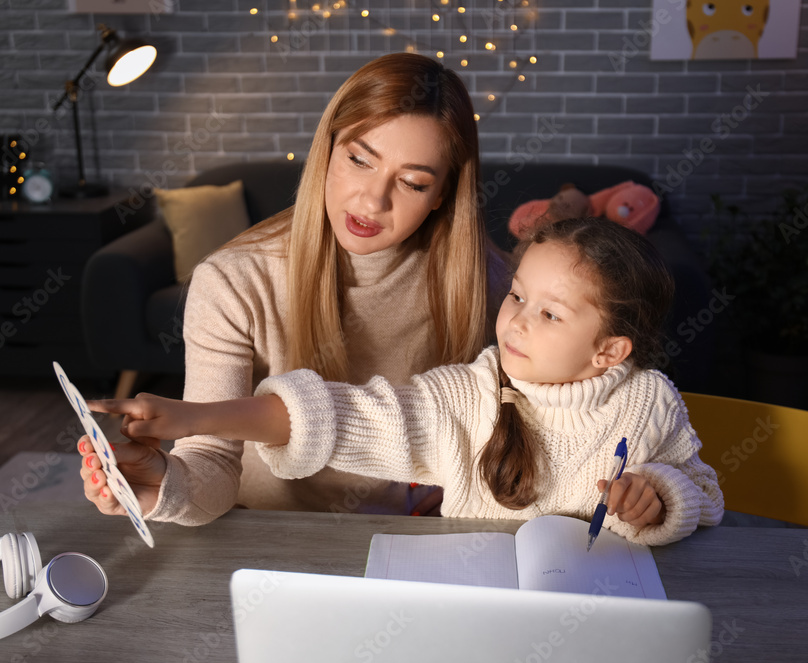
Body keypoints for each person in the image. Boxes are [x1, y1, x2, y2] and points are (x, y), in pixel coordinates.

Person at [86, 217, 724, 545]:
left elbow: (703, 489)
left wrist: (662, 496)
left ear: (609, 351)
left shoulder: (651, 401)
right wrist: (193, 419)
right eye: (519, 296)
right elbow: (333, 414)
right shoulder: (469, 396)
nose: (517, 321)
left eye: (550, 314)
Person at [80, 52, 510, 525]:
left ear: (441, 196)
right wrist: (163, 483)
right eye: (359, 159)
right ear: (326, 150)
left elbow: (538, 416)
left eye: (412, 183)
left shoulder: (483, 280)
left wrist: (471, 481)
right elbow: (211, 465)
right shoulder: (233, 281)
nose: (373, 200)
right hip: (259, 528)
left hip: (403, 533)